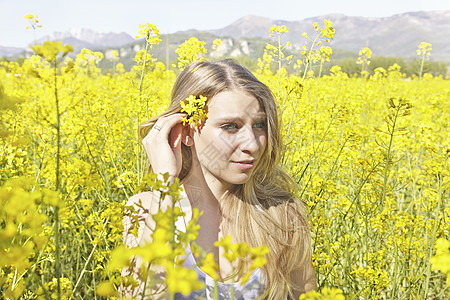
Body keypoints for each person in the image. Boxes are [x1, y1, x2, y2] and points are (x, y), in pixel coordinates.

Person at [123, 59, 316, 299]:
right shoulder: (145, 209)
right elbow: (141, 295)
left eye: (259, 125)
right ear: (185, 131)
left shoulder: (282, 214)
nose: (253, 144)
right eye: (230, 126)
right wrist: (165, 184)